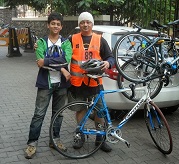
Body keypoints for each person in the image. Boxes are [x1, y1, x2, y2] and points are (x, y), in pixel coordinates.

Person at [24, 12, 72, 159]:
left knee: (59, 114)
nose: (55, 26)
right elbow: (39, 62)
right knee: (39, 114)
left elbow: (66, 59)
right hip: (45, 84)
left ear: (61, 26)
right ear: (48, 25)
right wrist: (62, 68)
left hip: (62, 85)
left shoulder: (66, 43)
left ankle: (55, 140)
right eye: (53, 23)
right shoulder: (41, 42)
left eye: (58, 24)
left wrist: (48, 61)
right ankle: (32, 143)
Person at [68, 11, 115, 152]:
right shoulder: (72, 39)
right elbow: (61, 53)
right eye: (82, 22)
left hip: (95, 83)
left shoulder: (100, 39)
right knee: (81, 110)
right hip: (78, 82)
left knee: (100, 112)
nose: (85, 24)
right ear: (79, 24)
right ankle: (80, 135)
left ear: (92, 24)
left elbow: (110, 57)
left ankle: (100, 140)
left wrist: (108, 63)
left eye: (88, 22)